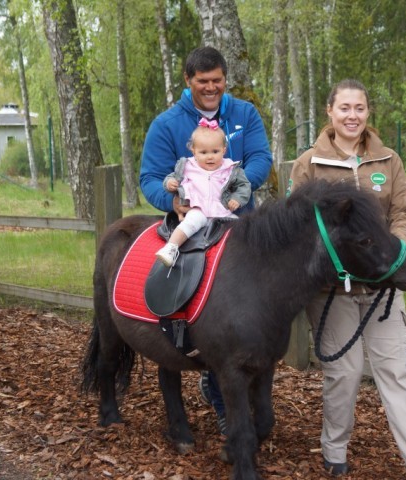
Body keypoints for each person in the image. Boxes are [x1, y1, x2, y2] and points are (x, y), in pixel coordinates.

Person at [288, 79, 406, 480]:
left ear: (368, 113)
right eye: (345, 108)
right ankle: (334, 449)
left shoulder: (388, 160)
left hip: (383, 288)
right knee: (345, 372)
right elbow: (299, 226)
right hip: (332, 291)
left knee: (396, 372)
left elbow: (403, 213)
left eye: (360, 108)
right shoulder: (309, 164)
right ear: (329, 112)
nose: (353, 116)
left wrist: (393, 256)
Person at [140, 46, 273, 435]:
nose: (211, 88)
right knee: (212, 317)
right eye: (203, 82)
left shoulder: (245, 114)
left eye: (217, 81)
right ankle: (220, 397)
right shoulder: (167, 125)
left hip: (239, 227)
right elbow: (150, 176)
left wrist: (240, 188)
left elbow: (261, 158)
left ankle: (248, 388)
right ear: (188, 81)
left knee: (257, 314)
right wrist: (173, 200)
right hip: (195, 229)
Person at [155, 121, 251, 266]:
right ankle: (171, 247)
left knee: (240, 227)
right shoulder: (187, 166)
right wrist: (169, 184)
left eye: (215, 151)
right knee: (190, 223)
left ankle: (247, 258)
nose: (210, 157)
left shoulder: (231, 169)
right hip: (197, 209)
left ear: (224, 150)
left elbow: (244, 186)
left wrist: (237, 198)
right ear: (193, 151)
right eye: (203, 152)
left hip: (222, 211)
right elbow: (172, 177)